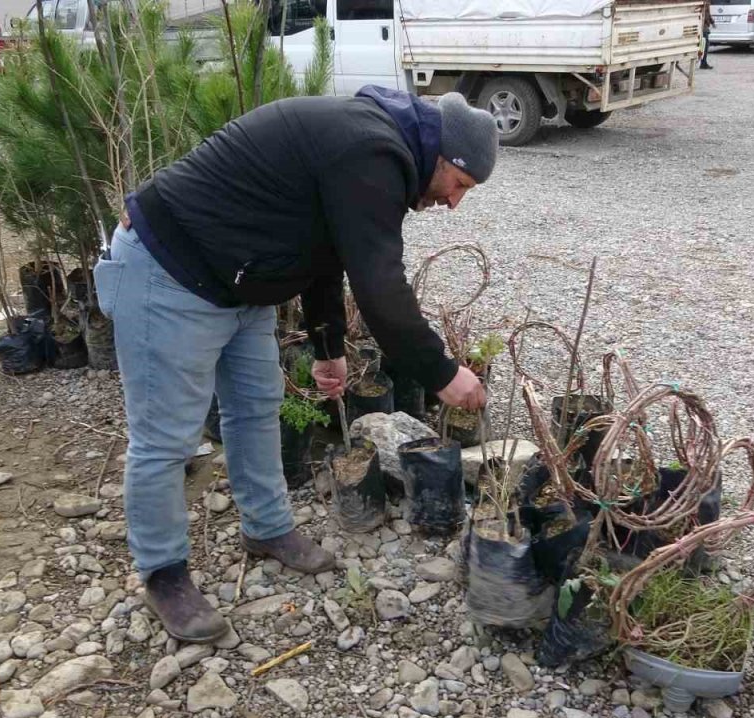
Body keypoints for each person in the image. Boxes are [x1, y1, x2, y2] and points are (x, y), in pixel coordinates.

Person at [92, 87, 498, 642]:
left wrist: (329, 346)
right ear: (446, 158)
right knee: (166, 438)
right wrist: (442, 372)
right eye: (461, 186)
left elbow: (329, 251)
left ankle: (267, 528)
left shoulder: (379, 153)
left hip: (239, 284)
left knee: (257, 408)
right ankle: (164, 575)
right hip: (171, 269)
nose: (454, 203)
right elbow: (380, 284)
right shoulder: (371, 151)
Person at [700, 3, 715, 70]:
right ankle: (703, 63)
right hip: (703, 27)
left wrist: (712, 22)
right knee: (704, 46)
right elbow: (706, 14)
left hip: (703, 27)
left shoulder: (706, 3)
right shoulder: (705, 2)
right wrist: (711, 22)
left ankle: (703, 62)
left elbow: (707, 13)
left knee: (704, 45)